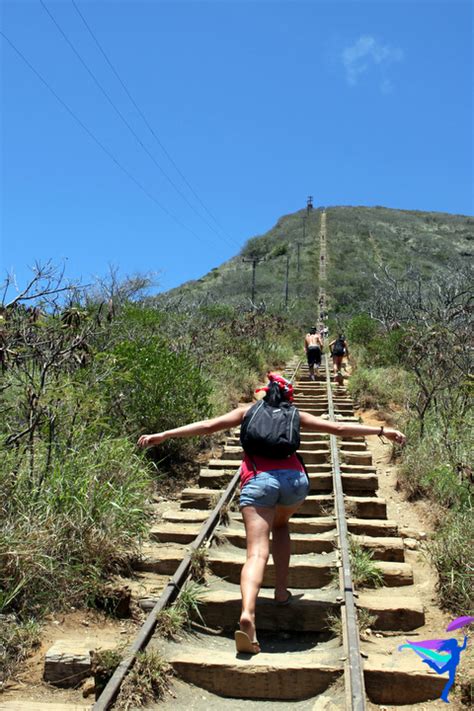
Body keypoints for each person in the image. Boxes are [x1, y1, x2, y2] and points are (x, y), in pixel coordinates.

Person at [138, 372, 406, 656]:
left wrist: (164, 435)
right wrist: (381, 431)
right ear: (288, 397)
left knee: (256, 553)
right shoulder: (295, 414)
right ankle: (280, 592)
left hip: (259, 481)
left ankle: (248, 616)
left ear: (264, 393)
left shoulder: (246, 412)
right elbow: (338, 429)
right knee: (281, 526)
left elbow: (207, 426)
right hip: (295, 483)